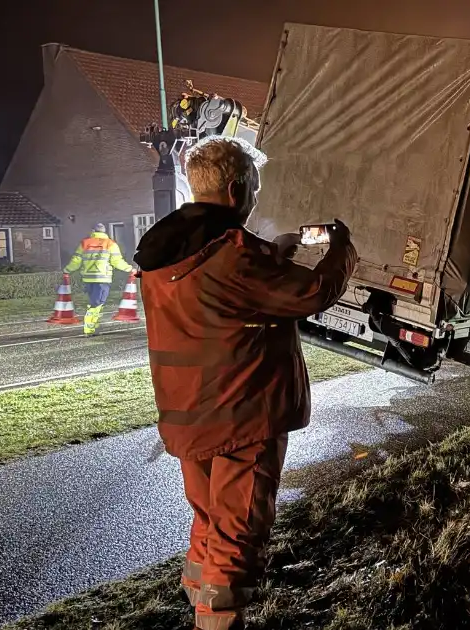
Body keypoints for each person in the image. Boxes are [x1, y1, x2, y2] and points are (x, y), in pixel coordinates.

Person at [134, 136, 357, 630]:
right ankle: (216, 618)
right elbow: (312, 292)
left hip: (187, 413)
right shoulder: (235, 253)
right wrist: (342, 251)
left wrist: (272, 253)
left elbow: (215, 297)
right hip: (241, 416)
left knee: (209, 522)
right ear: (236, 190)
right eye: (253, 189)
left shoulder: (163, 250)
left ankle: (196, 600)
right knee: (237, 536)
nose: (255, 199)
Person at [64, 223, 134, 335]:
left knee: (94, 301)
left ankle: (94, 325)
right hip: (102, 279)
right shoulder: (110, 244)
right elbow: (117, 261)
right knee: (97, 303)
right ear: (104, 231)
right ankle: (89, 327)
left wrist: (67, 270)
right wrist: (129, 269)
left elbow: (76, 261)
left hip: (87, 279)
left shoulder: (85, 243)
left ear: (93, 231)